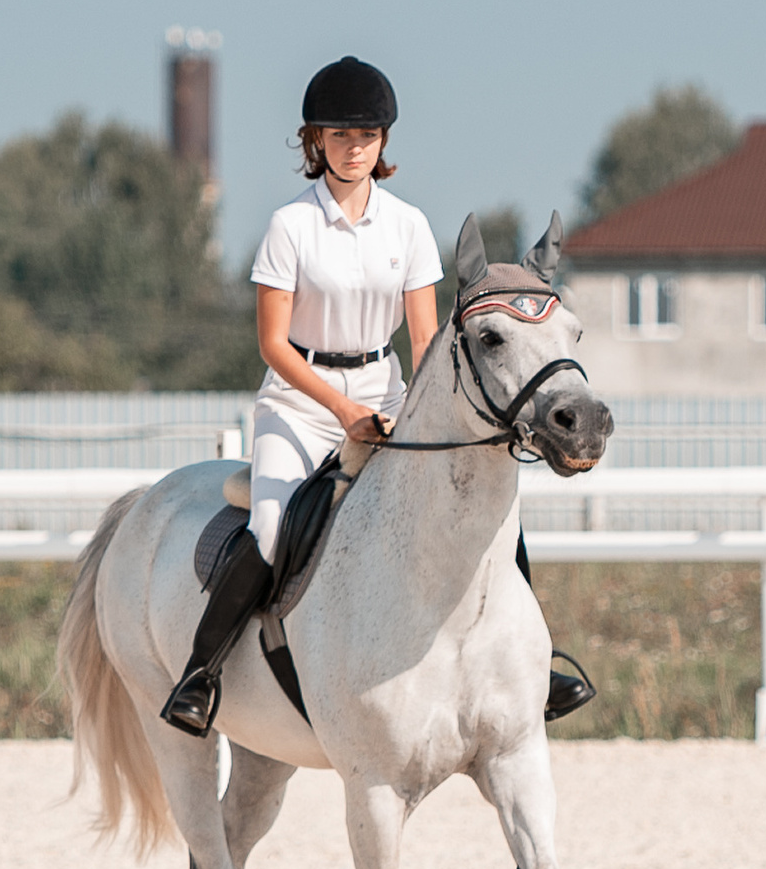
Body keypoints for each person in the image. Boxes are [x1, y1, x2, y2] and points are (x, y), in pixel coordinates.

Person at [158, 56, 596, 736]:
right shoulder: (290, 226)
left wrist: (416, 412)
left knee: (487, 516)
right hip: (300, 405)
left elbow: (424, 339)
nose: (354, 148)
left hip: (387, 395)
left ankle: (536, 670)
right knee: (271, 527)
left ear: (383, 141)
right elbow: (272, 343)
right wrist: (342, 412)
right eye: (339, 136)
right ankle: (201, 673)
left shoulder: (408, 226)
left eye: (366, 136)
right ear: (316, 142)